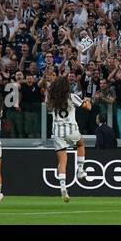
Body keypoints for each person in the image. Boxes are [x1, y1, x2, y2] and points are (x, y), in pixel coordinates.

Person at [47, 75, 95, 203]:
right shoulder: (72, 97)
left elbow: (48, 108)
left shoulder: (52, 99)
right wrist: (87, 101)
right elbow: (88, 108)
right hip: (71, 129)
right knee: (80, 144)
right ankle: (80, 170)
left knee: (62, 161)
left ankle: (63, 187)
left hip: (57, 131)